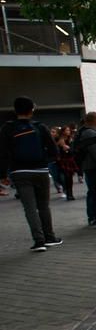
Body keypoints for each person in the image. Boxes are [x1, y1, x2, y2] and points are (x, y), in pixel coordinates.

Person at [0, 96, 63, 251]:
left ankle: (39, 241)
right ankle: (50, 237)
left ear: (15, 110)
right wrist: (43, 161)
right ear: (32, 110)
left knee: (29, 207)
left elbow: (2, 153)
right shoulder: (40, 127)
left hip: (19, 172)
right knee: (43, 206)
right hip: (40, 171)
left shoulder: (7, 128)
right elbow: (54, 151)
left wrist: (3, 174)